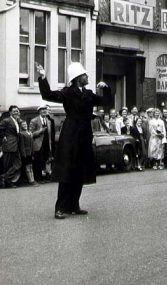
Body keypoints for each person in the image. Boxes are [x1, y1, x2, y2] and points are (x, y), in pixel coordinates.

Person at [36, 62, 111, 220]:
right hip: (70, 136)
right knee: (66, 172)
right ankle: (60, 208)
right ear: (78, 78)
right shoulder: (67, 93)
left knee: (80, 171)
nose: (88, 77)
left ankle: (74, 205)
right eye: (85, 75)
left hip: (84, 135)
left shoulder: (89, 94)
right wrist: (43, 77)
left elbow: (105, 101)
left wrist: (106, 88)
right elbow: (48, 95)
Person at [30, 105, 53, 183]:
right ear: (39, 111)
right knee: (37, 162)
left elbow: (49, 135)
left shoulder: (49, 121)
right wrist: (40, 131)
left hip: (46, 144)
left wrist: (50, 145)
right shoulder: (34, 120)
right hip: (38, 145)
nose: (44, 111)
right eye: (42, 110)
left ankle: (44, 177)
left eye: (45, 110)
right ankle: (38, 178)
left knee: (45, 161)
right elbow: (31, 134)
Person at [0, 105, 22, 188]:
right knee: (8, 165)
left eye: (17, 111)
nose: (16, 112)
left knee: (18, 163)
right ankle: (8, 181)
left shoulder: (17, 121)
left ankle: (4, 177)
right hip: (9, 146)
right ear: (10, 112)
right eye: (14, 111)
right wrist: (3, 136)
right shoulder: (6, 120)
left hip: (16, 145)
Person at [19, 121, 37, 186]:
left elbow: (32, 144)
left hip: (30, 153)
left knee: (30, 166)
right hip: (26, 154)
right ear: (21, 126)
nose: (25, 125)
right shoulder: (21, 133)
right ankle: (31, 181)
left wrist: (32, 152)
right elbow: (22, 145)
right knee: (27, 167)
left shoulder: (30, 133)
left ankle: (32, 179)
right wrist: (24, 154)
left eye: (25, 124)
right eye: (23, 124)